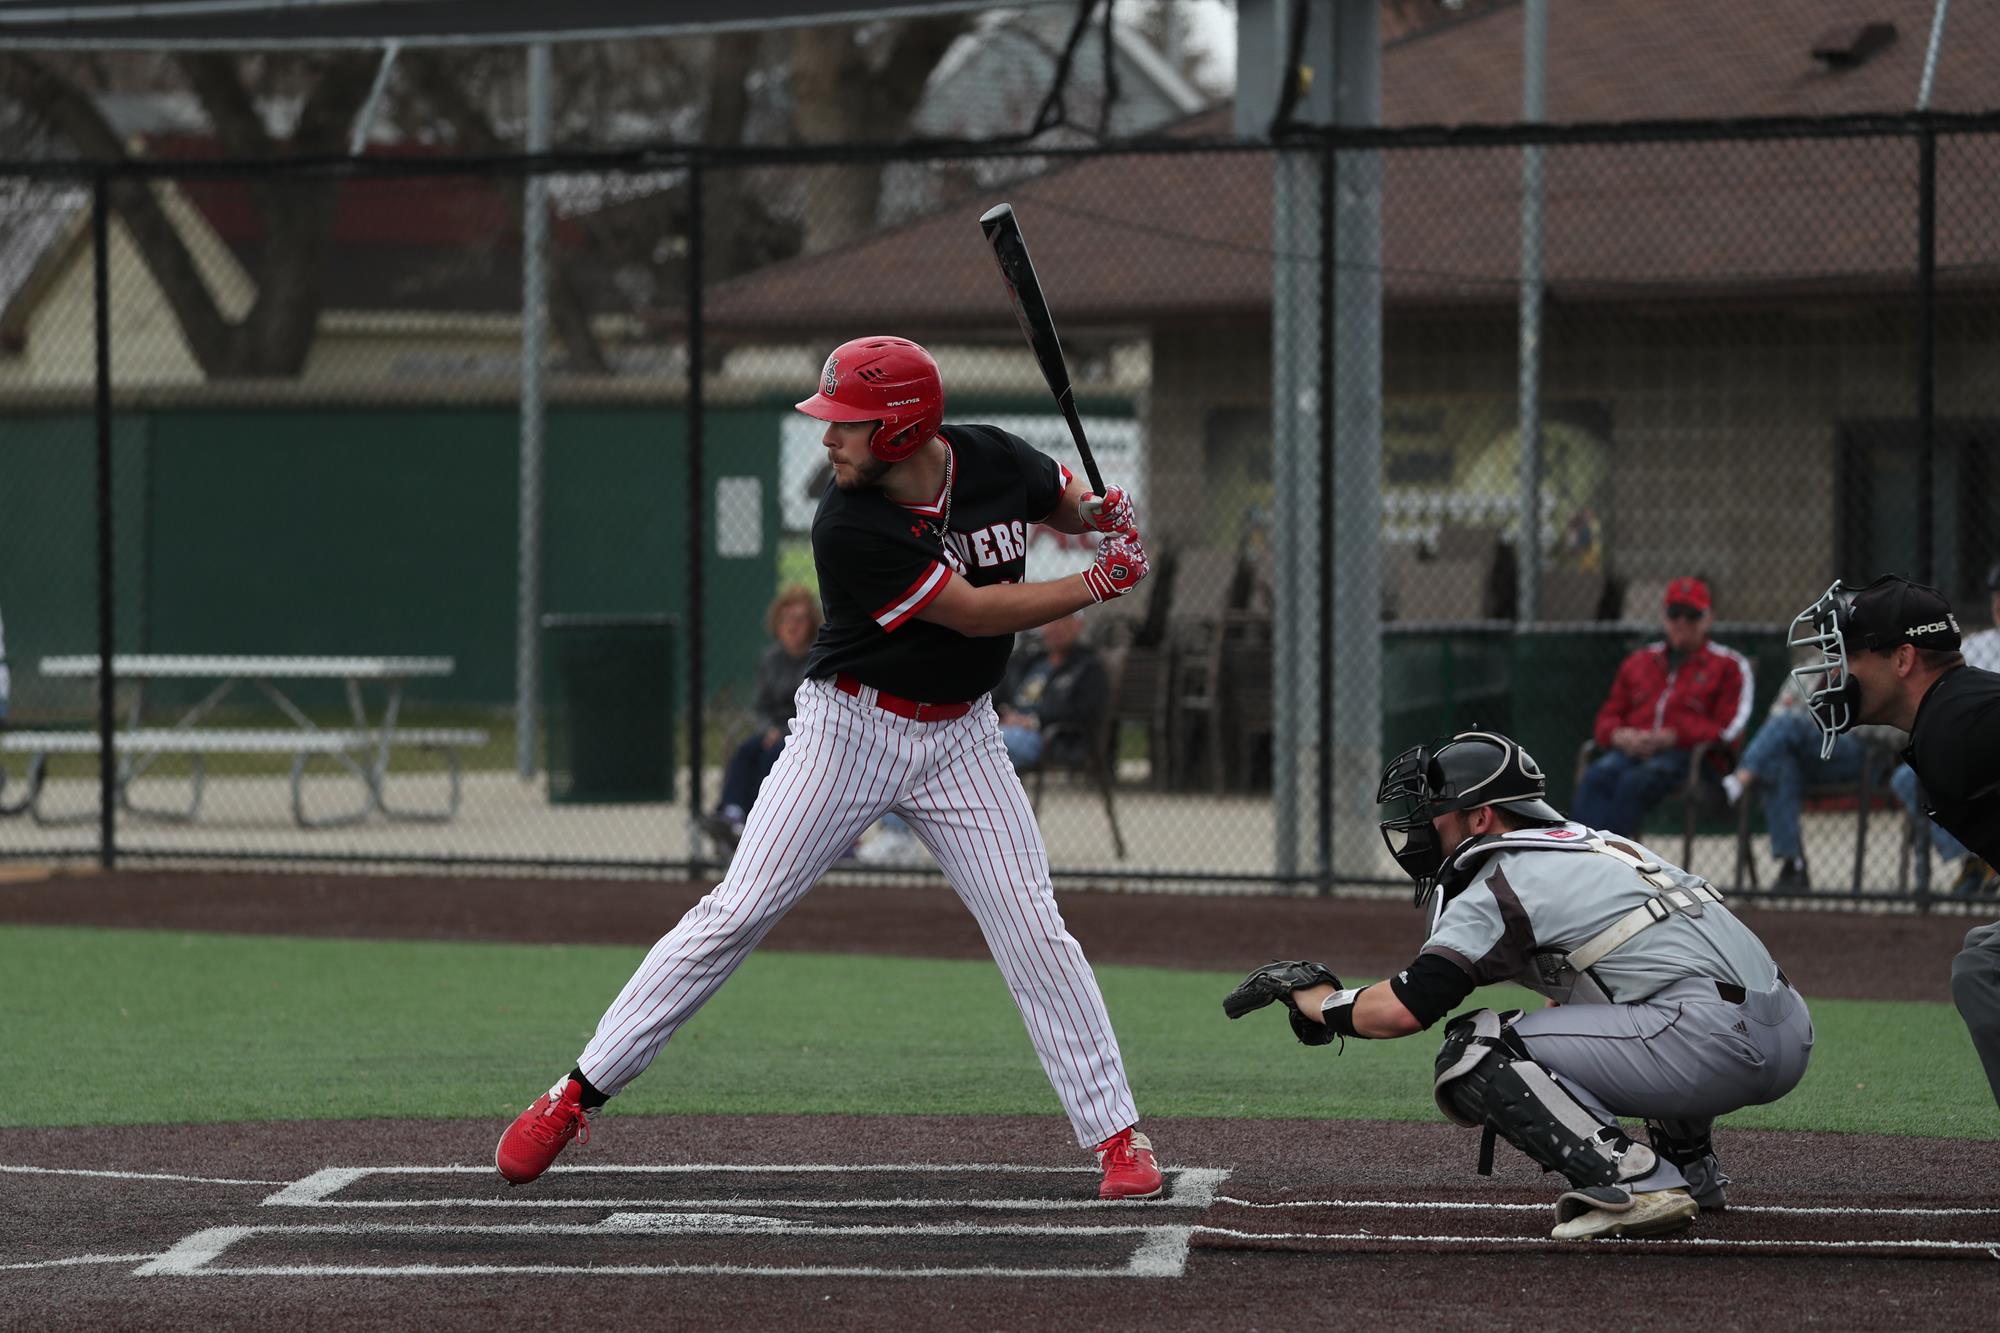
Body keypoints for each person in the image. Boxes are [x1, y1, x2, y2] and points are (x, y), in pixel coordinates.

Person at [497, 335, 1165, 1199]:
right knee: (734, 911)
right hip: (848, 730)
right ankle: (576, 1093)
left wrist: (1096, 513)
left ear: (900, 430)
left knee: (1033, 928)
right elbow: (971, 612)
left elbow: (1058, 497)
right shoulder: (849, 522)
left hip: (962, 737)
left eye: (845, 425)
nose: (828, 440)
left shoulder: (993, 455)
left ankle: (1117, 1132)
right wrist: (1097, 582)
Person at [1225, 730, 1812, 1241]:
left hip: (1712, 1041)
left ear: (1481, 817)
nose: (1422, 824)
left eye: (1436, 808)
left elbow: (1406, 1008)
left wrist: (1322, 1002)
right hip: (1786, 1027)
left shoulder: (1500, 875)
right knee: (1610, 1011)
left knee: (1477, 1048)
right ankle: (1693, 1172)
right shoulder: (1590, 843)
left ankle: (1636, 1182)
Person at [1791, 575, 2000, 1109]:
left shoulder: (1959, 724)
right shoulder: (1953, 712)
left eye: (1851, 655)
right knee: (1984, 953)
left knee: (1984, 972)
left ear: (1903, 659)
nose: (1837, 673)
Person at [1572, 576, 1754, 836]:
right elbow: (1607, 716)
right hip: (1632, 752)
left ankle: (1616, 864)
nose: (1681, 622)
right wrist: (1619, 735)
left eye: (1691, 615)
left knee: (1633, 784)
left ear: (1707, 618)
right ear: (1665, 617)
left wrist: (1675, 735)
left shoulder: (1729, 665)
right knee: (1597, 777)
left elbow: (1730, 730)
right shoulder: (1640, 661)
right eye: (1674, 613)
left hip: (1691, 759)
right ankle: (1580, 860)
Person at [699, 585, 821, 853]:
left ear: (811, 624)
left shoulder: (818, 657)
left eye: (800, 619)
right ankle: (732, 813)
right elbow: (761, 706)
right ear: (777, 623)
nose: (792, 626)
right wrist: (768, 728)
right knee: (746, 750)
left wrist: (782, 729)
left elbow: (815, 705)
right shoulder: (770, 659)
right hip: (771, 731)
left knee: (774, 755)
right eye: (787, 619)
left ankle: (756, 826)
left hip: (804, 732)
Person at [996, 610, 1109, 772]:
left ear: (1078, 625)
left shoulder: (1088, 667)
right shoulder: (1031, 661)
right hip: (1009, 727)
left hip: (1049, 739)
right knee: (981, 743)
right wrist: (1003, 715)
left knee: (988, 745)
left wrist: (1034, 721)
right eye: (1050, 621)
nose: (1055, 627)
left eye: (1063, 620)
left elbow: (1083, 712)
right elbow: (1001, 693)